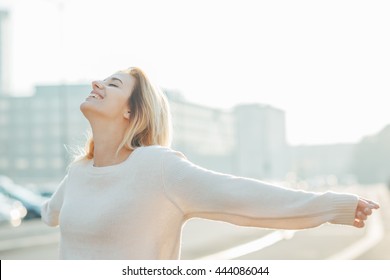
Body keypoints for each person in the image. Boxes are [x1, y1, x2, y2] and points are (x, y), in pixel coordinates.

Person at [41, 67, 380, 260]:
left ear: (133, 112)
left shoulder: (156, 168)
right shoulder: (77, 174)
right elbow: (50, 213)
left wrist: (331, 206)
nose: (96, 83)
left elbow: (239, 195)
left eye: (112, 84)